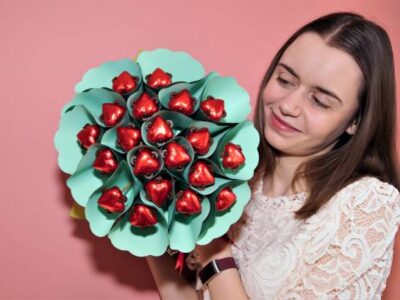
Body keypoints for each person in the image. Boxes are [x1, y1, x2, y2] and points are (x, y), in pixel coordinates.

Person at [146, 11, 400, 299]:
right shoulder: (233, 177)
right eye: (285, 79)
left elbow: (213, 263)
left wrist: (212, 251)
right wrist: (145, 227)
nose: (288, 105)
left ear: (356, 121)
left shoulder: (366, 204)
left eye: (319, 101)